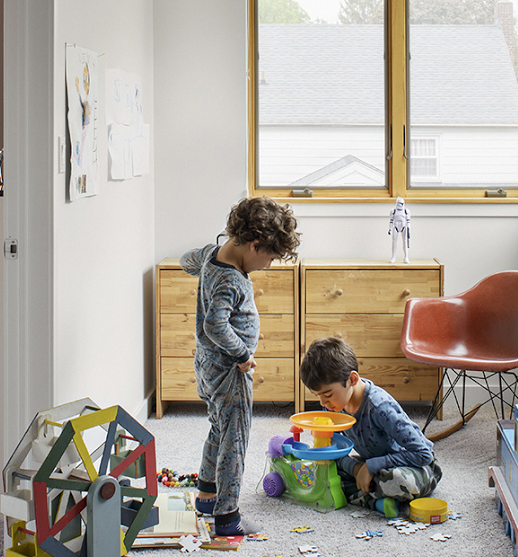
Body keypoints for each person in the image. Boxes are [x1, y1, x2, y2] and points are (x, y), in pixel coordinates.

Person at [180, 196, 300, 536]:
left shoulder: (212, 256)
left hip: (206, 365)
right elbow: (215, 326)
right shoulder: (231, 280)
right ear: (253, 244)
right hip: (229, 371)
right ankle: (227, 517)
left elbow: (185, 259)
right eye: (269, 258)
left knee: (219, 428)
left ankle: (206, 494)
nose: (268, 265)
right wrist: (243, 355)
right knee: (235, 439)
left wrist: (201, 266)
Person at [299, 336, 441, 518]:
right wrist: (356, 468)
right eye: (317, 395)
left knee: (397, 481)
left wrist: (372, 466)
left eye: (327, 394)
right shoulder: (334, 405)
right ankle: (378, 500)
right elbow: (334, 449)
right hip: (371, 465)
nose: (323, 403)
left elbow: (423, 454)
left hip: (415, 467)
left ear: (352, 379)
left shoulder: (380, 407)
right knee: (320, 470)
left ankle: (369, 497)